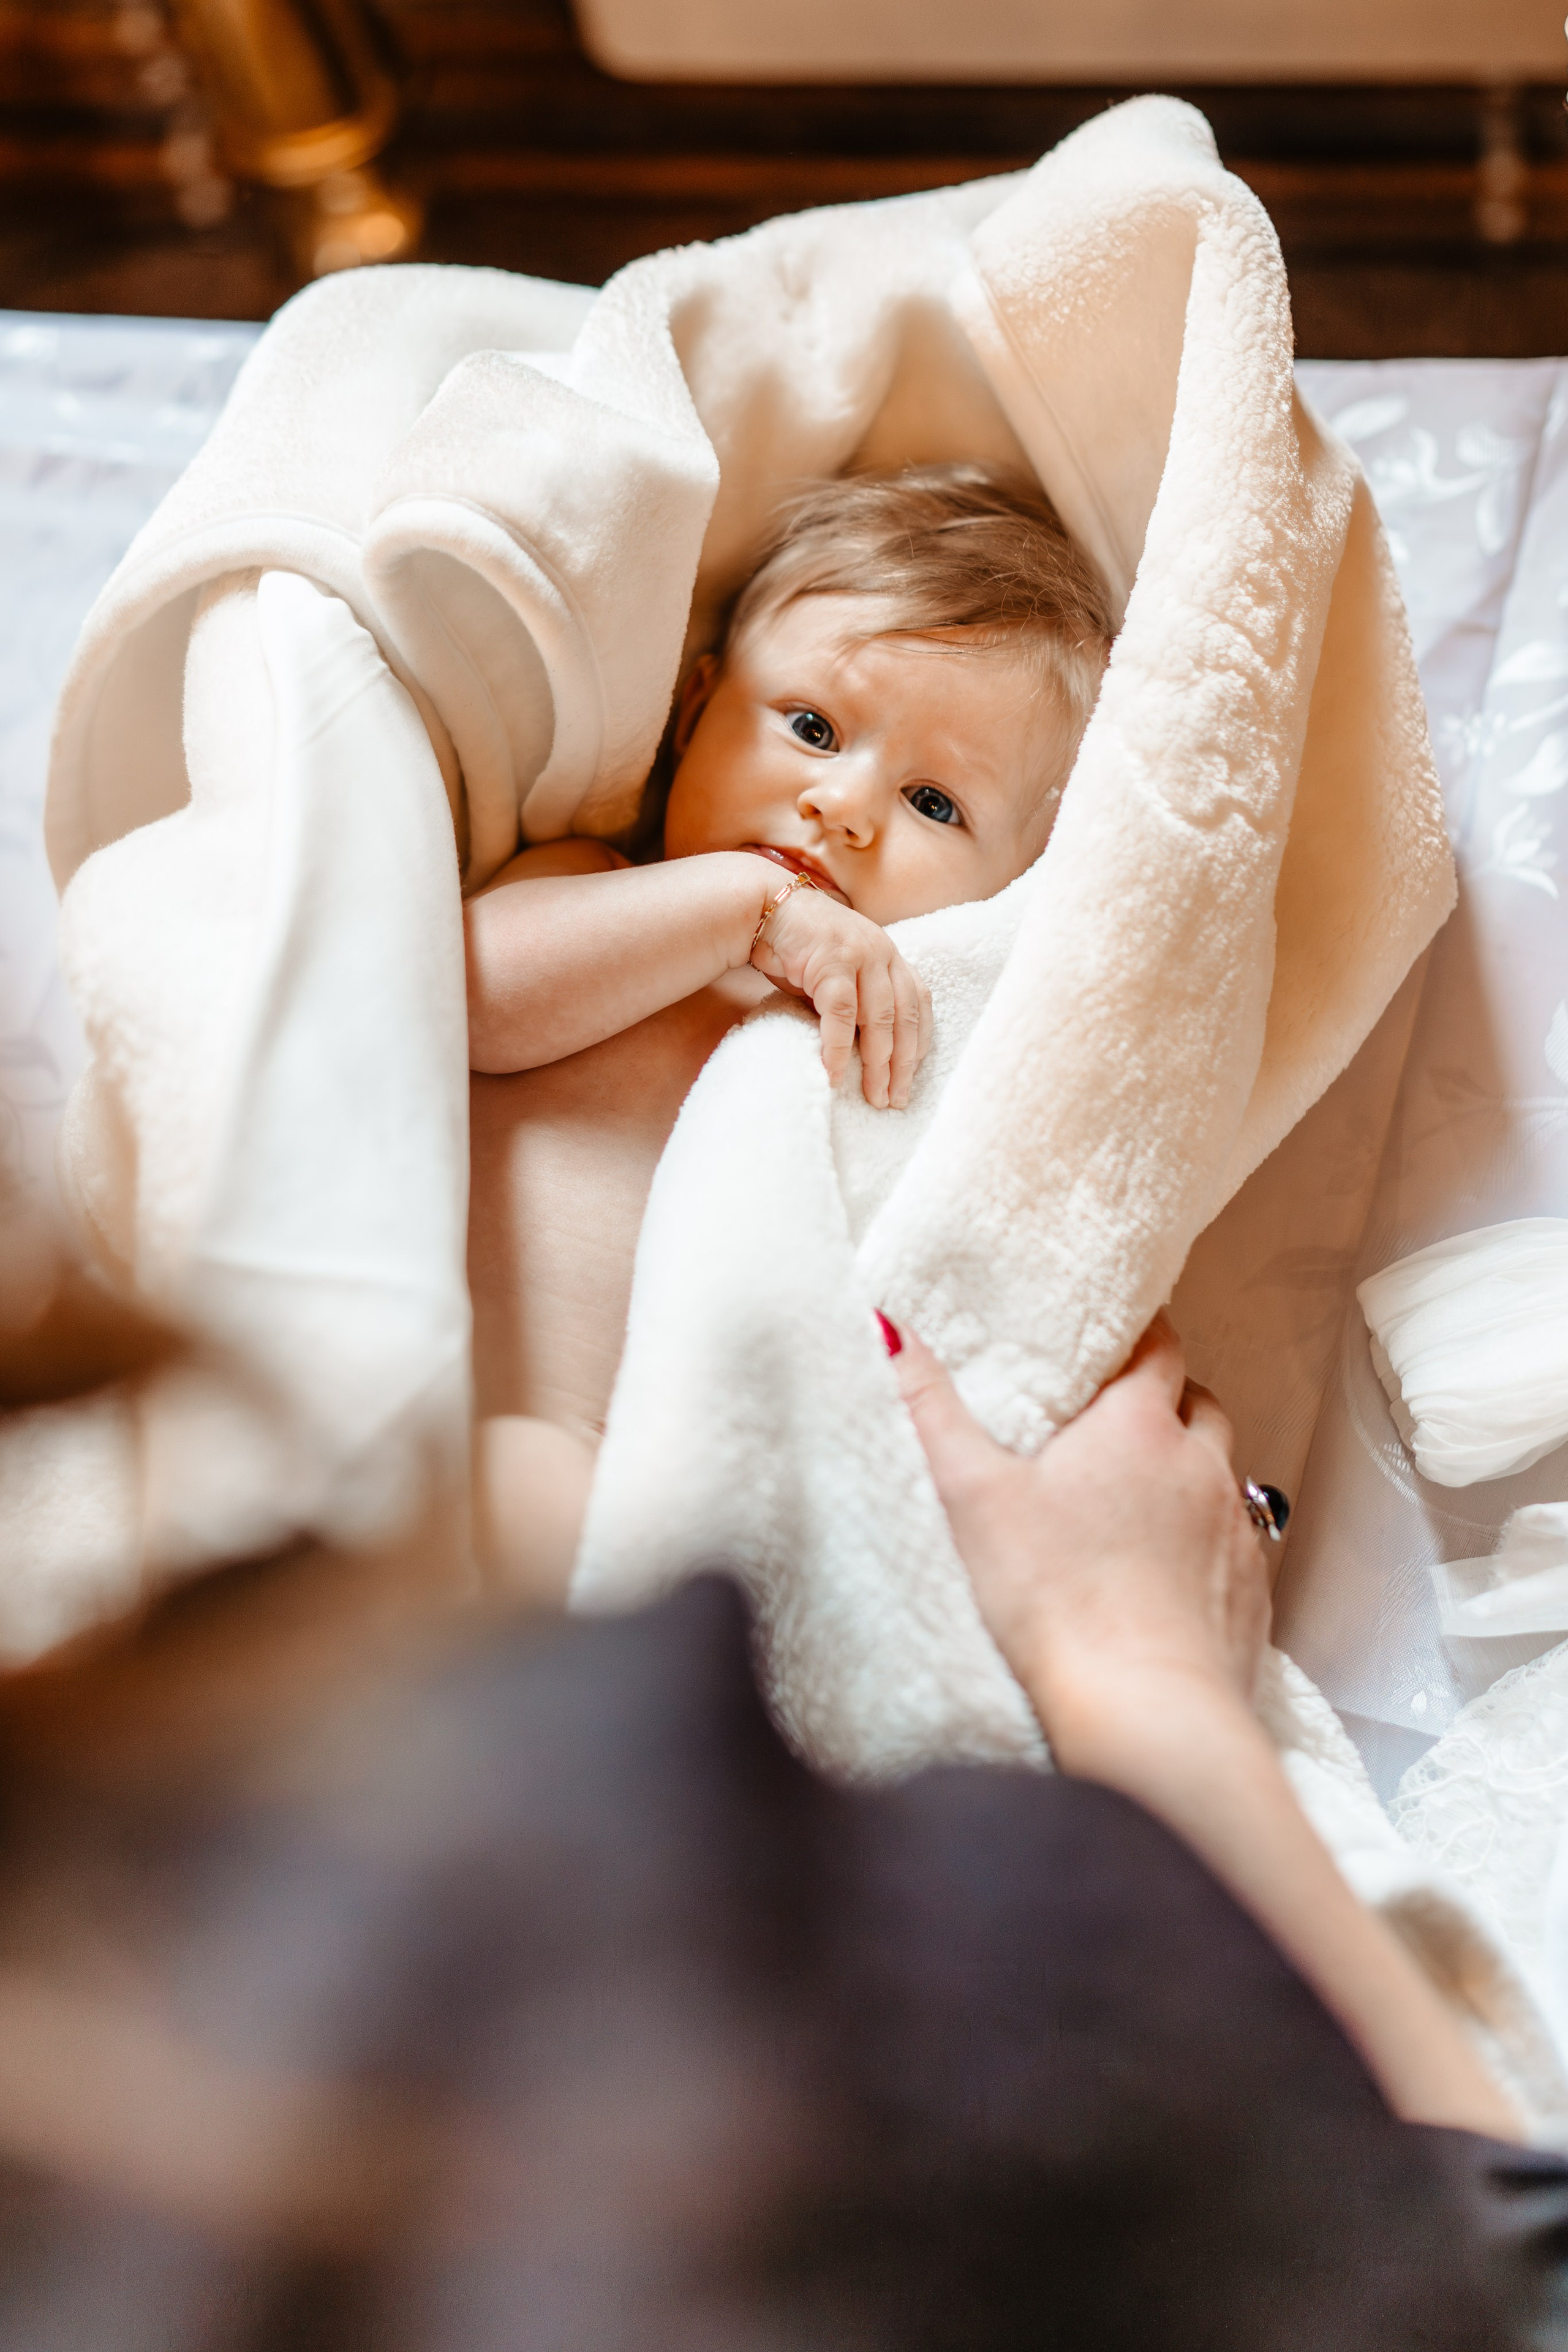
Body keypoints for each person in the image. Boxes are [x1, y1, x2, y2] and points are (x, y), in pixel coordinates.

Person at [463, 463, 1114, 1596]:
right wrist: (744, 908)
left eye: (934, 804)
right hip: (493, 1423)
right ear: (692, 710)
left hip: (723, 1511)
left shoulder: (900, 1031)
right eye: (813, 727)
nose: (846, 807)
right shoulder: (601, 887)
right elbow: (469, 995)